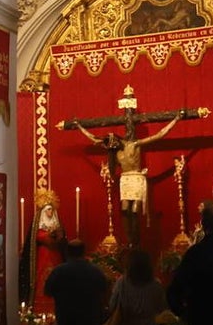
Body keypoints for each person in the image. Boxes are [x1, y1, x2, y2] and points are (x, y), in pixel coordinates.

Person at [70, 106, 183, 247]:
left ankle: (135, 241)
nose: (114, 146)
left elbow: (159, 135)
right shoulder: (115, 152)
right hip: (125, 180)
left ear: (116, 139)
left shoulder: (134, 145)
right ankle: (129, 238)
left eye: (114, 143)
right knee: (124, 209)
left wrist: (175, 119)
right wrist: (79, 126)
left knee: (135, 210)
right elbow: (93, 138)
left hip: (136, 178)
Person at [23, 189, 65, 314]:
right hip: (43, 256)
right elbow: (39, 237)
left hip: (55, 256)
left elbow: (61, 240)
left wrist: (58, 236)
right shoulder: (39, 226)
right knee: (42, 277)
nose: (50, 212)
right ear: (43, 212)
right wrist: (49, 236)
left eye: (52, 209)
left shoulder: (57, 225)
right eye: (48, 209)